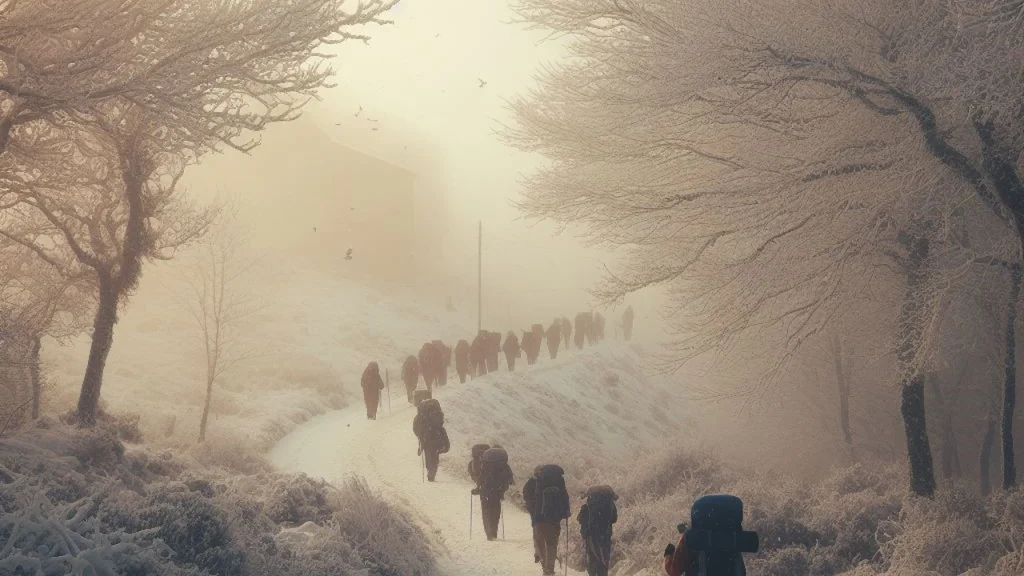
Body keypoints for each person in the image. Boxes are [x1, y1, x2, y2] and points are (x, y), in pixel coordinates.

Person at [524, 464, 571, 576]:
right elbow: (565, 498)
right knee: (551, 543)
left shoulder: (537, 481)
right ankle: (549, 569)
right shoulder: (559, 482)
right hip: (554, 518)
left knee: (539, 540)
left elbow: (528, 497)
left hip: (539, 517)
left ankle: (544, 563)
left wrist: (533, 510)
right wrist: (565, 513)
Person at [475, 446, 514, 541]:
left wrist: (477, 488)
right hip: (497, 492)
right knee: (495, 513)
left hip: (485, 493)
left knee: (486, 512)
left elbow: (480, 479)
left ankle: (488, 533)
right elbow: (510, 480)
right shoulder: (504, 466)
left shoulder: (485, 465)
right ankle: (494, 531)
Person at [578, 485, 618, 576]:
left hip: (591, 535)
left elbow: (580, 519)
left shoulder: (589, 505)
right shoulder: (610, 505)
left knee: (592, 559)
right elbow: (614, 519)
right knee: (604, 559)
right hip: (606, 535)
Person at [412, 398, 449, 482]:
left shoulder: (420, 416)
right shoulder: (437, 414)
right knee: (435, 457)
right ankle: (432, 473)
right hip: (436, 438)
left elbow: (415, 428)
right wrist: (446, 444)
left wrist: (420, 436)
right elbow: (441, 425)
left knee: (428, 456)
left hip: (426, 440)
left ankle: (430, 472)